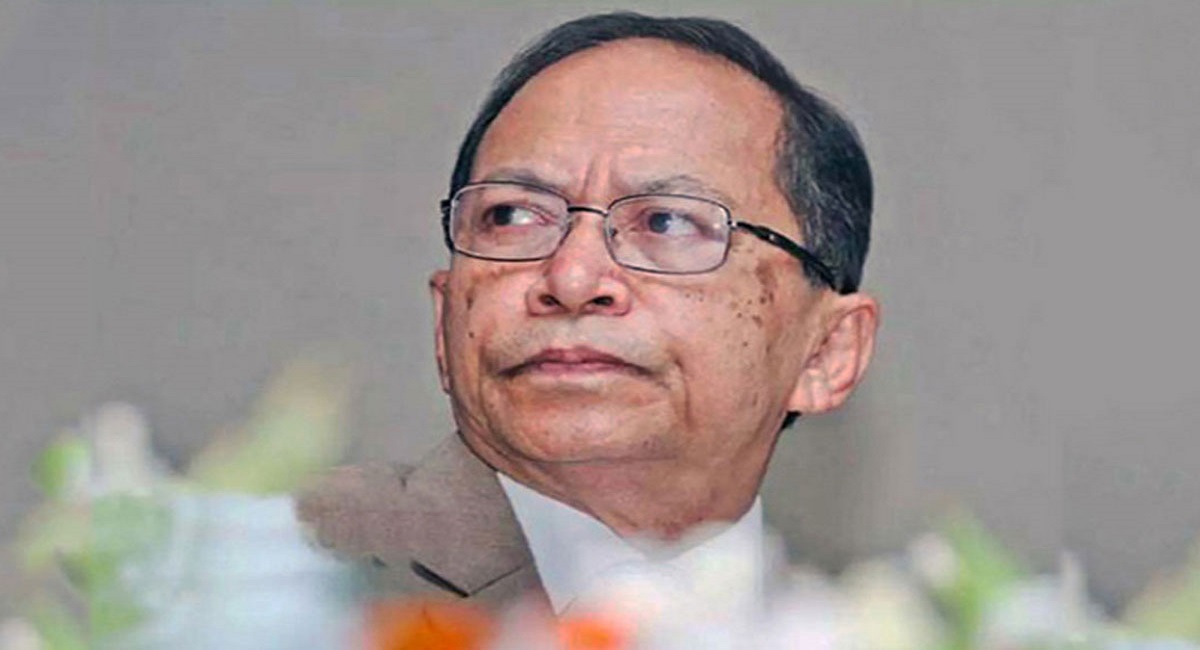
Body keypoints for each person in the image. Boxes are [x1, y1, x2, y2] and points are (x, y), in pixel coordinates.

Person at [298, 11, 878, 614]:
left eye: (666, 222)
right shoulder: (284, 578)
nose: (571, 279)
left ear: (826, 353)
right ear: (445, 322)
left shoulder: (872, 625)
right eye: (512, 216)